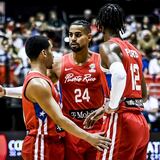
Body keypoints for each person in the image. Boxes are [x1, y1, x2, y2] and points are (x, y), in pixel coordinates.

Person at [0, 21, 110, 160]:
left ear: (89, 37)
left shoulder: (101, 61)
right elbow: (37, 90)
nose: (73, 38)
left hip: (96, 128)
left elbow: (115, 93)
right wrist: (7, 92)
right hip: (70, 130)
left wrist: (105, 108)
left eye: (77, 35)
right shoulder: (57, 64)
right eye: (70, 35)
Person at [84, 3, 150, 160]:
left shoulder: (108, 46)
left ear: (99, 25)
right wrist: (104, 108)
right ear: (121, 24)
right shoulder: (134, 50)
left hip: (122, 121)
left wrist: (111, 107)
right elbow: (144, 95)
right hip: (141, 123)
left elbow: (119, 75)